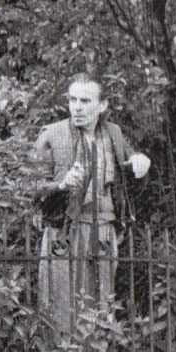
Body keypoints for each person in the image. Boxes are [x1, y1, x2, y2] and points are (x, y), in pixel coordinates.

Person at [32, 72, 150, 333]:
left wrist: (141, 161)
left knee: (100, 310)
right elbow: (30, 187)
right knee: (59, 312)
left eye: (85, 101)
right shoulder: (51, 135)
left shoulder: (114, 134)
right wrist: (61, 185)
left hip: (104, 232)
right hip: (63, 232)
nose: (77, 107)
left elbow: (132, 169)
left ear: (102, 105)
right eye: (73, 99)